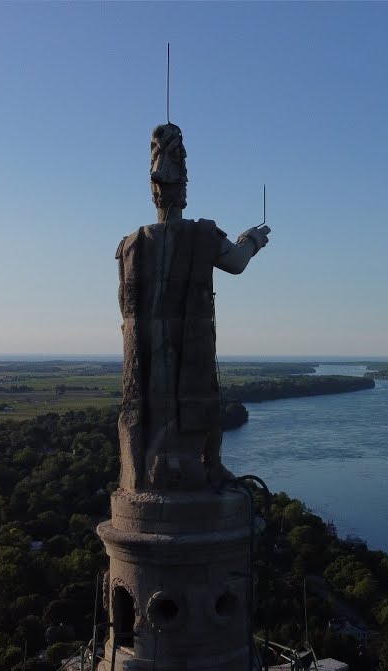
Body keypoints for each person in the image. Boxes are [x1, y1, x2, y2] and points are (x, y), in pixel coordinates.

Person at [116, 123, 270, 491]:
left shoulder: (129, 245)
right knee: (200, 398)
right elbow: (236, 262)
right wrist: (252, 239)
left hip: (146, 348)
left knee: (152, 406)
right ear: (183, 188)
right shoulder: (200, 234)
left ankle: (149, 468)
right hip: (190, 340)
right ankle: (204, 466)